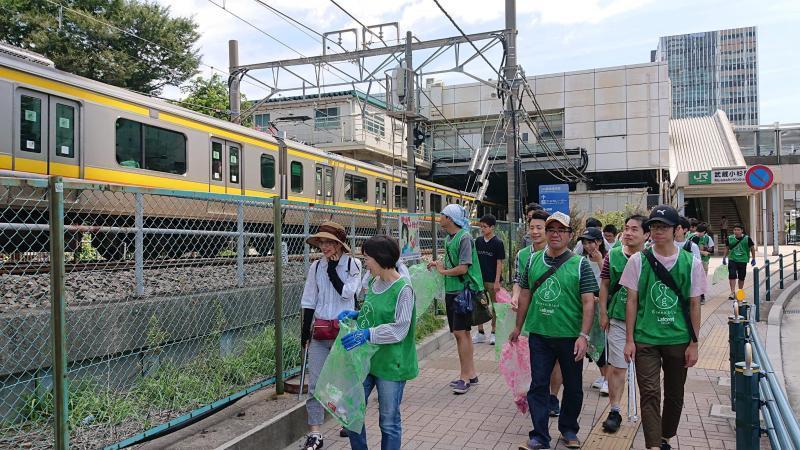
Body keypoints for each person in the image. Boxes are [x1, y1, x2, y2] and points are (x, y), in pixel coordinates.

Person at [510, 211, 598, 450]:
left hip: (570, 337)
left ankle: (569, 429)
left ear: (570, 235)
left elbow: (589, 302)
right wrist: (518, 326)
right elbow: (525, 294)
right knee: (538, 385)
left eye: (561, 230)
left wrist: (584, 335)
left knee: (573, 387)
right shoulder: (533, 260)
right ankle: (539, 436)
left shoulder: (580, 264)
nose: (555, 234)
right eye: (551, 230)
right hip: (539, 335)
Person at [621, 205, 705, 450]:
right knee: (649, 393)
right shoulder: (638, 260)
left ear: (677, 230)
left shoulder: (691, 262)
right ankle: (653, 445)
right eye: (654, 226)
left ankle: (665, 436)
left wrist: (694, 343)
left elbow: (694, 305)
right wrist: (629, 339)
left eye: (663, 226)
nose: (657, 231)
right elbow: (632, 301)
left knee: (675, 394)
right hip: (645, 338)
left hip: (678, 339)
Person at [337, 235, 418, 450]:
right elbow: (373, 312)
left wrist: (367, 334)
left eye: (367, 259)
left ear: (380, 258)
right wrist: (356, 314)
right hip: (367, 360)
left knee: (388, 421)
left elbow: (400, 329)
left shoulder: (404, 289)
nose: (365, 263)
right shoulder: (374, 282)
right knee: (351, 412)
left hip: (391, 364)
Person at [300, 221, 363, 450]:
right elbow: (309, 300)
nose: (324, 246)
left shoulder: (353, 264)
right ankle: (315, 433)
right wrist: (304, 333)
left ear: (339, 244)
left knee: (344, 380)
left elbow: (348, 293)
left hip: (343, 332)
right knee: (315, 384)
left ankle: (346, 418)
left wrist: (332, 270)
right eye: (321, 242)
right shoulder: (316, 267)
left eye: (328, 242)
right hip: (319, 332)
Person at [598, 215, 649, 433]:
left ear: (646, 234)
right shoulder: (613, 255)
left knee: (647, 372)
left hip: (646, 322)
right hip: (617, 318)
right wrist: (603, 312)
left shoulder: (652, 257)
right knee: (617, 367)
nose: (628, 233)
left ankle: (648, 413)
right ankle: (615, 410)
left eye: (634, 229)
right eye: (626, 228)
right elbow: (605, 286)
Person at [510, 209, 563, 417]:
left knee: (557, 359)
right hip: (531, 315)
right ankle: (538, 394)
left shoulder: (561, 254)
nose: (535, 231)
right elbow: (518, 281)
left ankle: (553, 396)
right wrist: (515, 296)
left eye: (539, 228)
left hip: (556, 314)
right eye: (531, 227)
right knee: (536, 358)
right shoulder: (523, 255)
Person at [428, 204, 484, 394]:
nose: (440, 217)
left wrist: (442, 271)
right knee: (463, 334)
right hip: (454, 291)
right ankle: (471, 374)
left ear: (450, 219)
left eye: (442, 214)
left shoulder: (464, 237)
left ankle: (464, 378)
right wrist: (437, 264)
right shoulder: (450, 238)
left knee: (461, 334)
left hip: (462, 292)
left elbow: (463, 268)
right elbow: (451, 262)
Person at [576, 227, 609, 395]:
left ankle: (608, 379)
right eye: (585, 242)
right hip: (588, 306)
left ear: (600, 242)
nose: (588, 246)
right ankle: (604, 376)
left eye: (591, 242)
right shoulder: (580, 260)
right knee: (592, 344)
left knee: (603, 344)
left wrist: (600, 261)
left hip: (602, 307)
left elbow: (610, 281)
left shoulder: (608, 257)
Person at [474, 214, 506, 345]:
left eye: (485, 226)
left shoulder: (498, 243)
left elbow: (499, 262)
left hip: (493, 281)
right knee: (479, 305)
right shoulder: (478, 241)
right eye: (481, 226)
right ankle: (480, 332)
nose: (482, 229)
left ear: (492, 227)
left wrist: (497, 281)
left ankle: (494, 332)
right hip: (480, 280)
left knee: (495, 307)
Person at [722, 223, 756, 300]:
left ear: (742, 231)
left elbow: (752, 248)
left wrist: (753, 258)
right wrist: (724, 257)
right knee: (732, 275)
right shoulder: (730, 238)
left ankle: (740, 291)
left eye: (738, 230)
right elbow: (727, 248)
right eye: (735, 230)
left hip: (743, 260)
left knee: (741, 277)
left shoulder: (747, 238)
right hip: (732, 259)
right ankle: (732, 292)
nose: (736, 231)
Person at [695, 223, 714, 305]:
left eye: (700, 232)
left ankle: (702, 296)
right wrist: (702, 251)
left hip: (704, 260)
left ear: (704, 232)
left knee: (702, 279)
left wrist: (707, 249)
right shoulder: (693, 237)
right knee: (695, 278)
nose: (698, 233)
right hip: (694, 260)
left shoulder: (707, 238)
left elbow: (711, 249)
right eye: (698, 231)